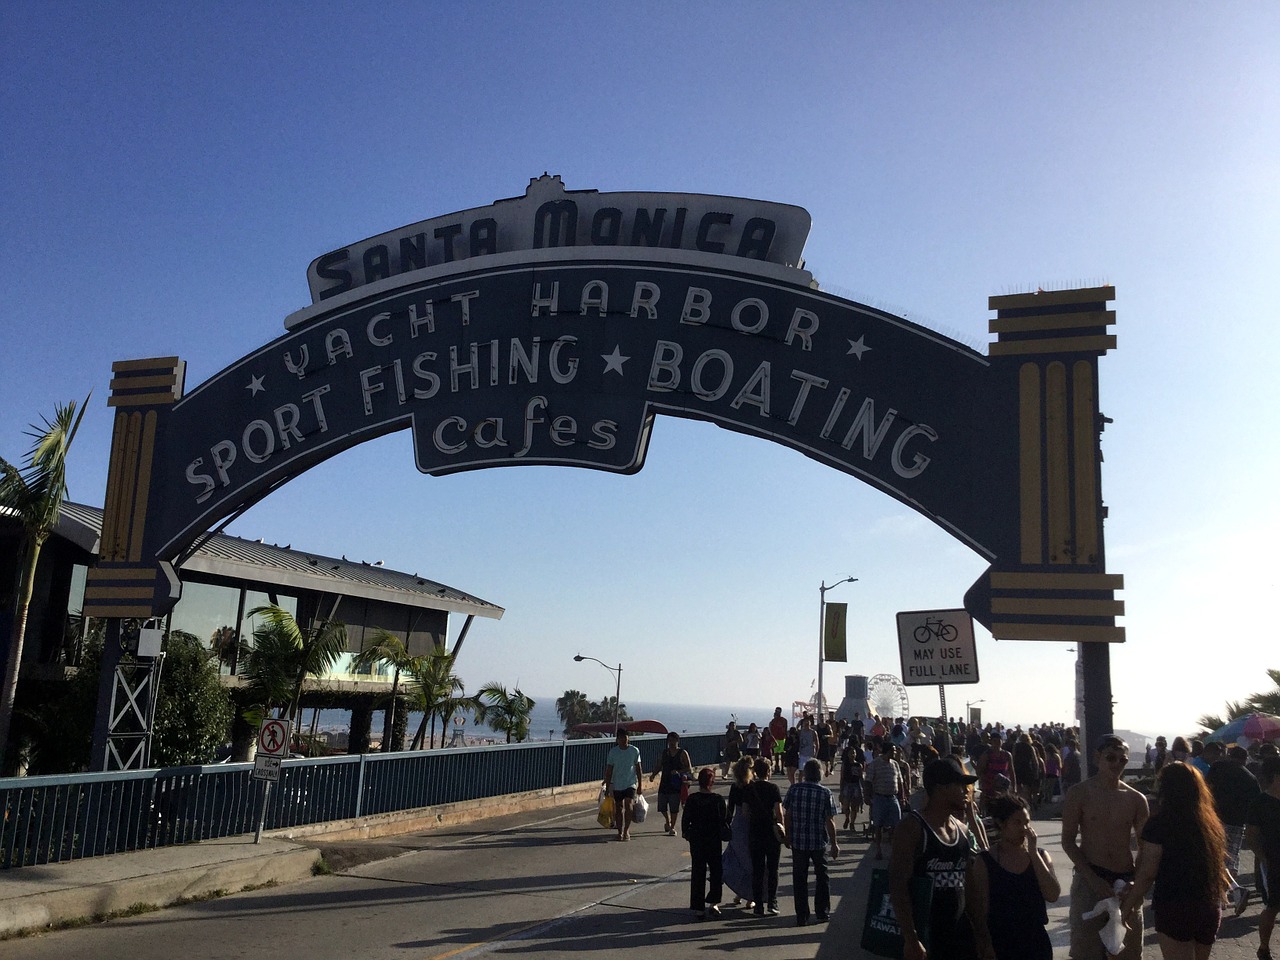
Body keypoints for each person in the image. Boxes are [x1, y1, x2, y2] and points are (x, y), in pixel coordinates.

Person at [1122, 761, 1229, 959]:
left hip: (1174, 906)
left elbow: (1147, 874)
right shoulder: (1210, 824)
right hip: (1209, 906)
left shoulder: (1159, 824)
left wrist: (1126, 909)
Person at [1062, 733, 1149, 959]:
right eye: (1111, 758)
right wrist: (1091, 877)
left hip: (1125, 882)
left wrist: (1135, 882)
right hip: (1090, 878)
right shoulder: (1079, 793)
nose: (1117, 764)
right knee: (1086, 950)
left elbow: (1145, 848)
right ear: (1097, 758)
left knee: (1128, 951)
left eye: (1123, 760)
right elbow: (1068, 841)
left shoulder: (1136, 799)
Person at [890, 758, 981, 960]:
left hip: (959, 938)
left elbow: (970, 888)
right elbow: (898, 885)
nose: (967, 791)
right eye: (960, 784)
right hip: (926, 940)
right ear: (941, 788)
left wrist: (982, 936)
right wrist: (911, 939)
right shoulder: (912, 828)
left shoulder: (962, 830)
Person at [969, 795, 1060, 960]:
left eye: (1027, 822)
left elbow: (1052, 894)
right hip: (1001, 943)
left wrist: (1033, 853)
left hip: (1035, 942)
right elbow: (980, 910)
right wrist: (985, 944)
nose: (1024, 828)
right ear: (1001, 824)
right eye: (1017, 823)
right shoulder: (985, 861)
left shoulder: (1040, 856)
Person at [1205, 741, 1260, 915]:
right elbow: (1255, 805)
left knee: (1214, 856)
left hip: (1214, 819)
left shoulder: (1218, 767)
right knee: (1231, 858)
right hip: (1237, 822)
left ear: (1230, 755)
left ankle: (1224, 895)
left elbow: (1206, 790)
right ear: (1244, 760)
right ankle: (1229, 893)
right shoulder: (1250, 778)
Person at [783, 758, 839, 926]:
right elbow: (830, 821)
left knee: (799, 878)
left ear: (805, 773)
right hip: (818, 841)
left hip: (799, 841)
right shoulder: (825, 793)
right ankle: (822, 912)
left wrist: (787, 835)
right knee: (822, 877)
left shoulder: (794, 790)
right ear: (820, 773)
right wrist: (835, 843)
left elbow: (788, 815)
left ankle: (802, 915)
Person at [681, 766, 728, 919]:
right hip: (713, 840)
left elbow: (686, 820)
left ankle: (698, 906)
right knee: (716, 872)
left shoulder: (693, 799)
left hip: (697, 840)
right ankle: (713, 902)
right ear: (712, 781)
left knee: (698, 872)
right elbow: (726, 820)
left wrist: (687, 833)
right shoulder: (718, 800)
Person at [1246, 756, 1280, 960]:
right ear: (1276, 777)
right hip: (1273, 862)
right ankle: (1264, 948)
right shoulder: (1260, 803)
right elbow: (1251, 836)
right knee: (1273, 906)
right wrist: (1263, 859)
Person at [744, 755, 784, 916]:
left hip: (755, 832)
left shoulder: (749, 788)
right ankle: (772, 902)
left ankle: (758, 904)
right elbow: (779, 813)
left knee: (758, 869)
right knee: (773, 869)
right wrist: (783, 829)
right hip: (771, 833)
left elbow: (745, 812)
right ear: (768, 771)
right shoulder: (773, 788)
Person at [723, 756, 756, 909]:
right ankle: (750, 895)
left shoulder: (735, 786)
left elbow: (730, 809)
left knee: (737, 859)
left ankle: (739, 892)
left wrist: (726, 825)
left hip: (737, 825)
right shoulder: (753, 786)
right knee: (751, 859)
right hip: (751, 824)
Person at [602, 727, 643, 841]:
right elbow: (609, 769)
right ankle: (620, 831)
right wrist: (607, 781)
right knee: (619, 808)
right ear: (617, 739)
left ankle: (626, 830)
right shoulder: (613, 752)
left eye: (625, 737)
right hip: (617, 784)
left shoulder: (634, 750)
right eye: (620, 738)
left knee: (629, 805)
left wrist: (640, 785)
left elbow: (638, 768)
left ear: (628, 738)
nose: (623, 740)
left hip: (630, 783)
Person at [649, 731, 692, 837]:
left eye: (673, 740)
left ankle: (672, 827)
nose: (671, 743)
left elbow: (689, 768)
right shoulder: (665, 753)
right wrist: (653, 774)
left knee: (674, 806)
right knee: (662, 806)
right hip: (665, 781)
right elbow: (659, 765)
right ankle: (667, 821)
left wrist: (679, 772)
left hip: (676, 783)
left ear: (677, 741)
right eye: (670, 741)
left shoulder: (682, 753)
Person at [868, 739, 903, 859]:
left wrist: (902, 797)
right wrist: (868, 796)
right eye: (893, 750)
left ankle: (894, 848)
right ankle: (878, 849)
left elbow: (900, 781)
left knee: (896, 824)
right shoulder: (875, 763)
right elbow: (868, 780)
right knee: (878, 824)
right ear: (887, 751)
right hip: (879, 797)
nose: (895, 753)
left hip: (893, 797)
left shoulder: (895, 764)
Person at [978, 732, 1016, 813]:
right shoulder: (987, 755)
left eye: (999, 741)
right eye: (995, 741)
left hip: (1003, 787)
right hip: (989, 786)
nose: (997, 743)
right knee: (989, 808)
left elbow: (1011, 771)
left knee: (1002, 808)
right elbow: (980, 770)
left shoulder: (1007, 755)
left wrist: (1014, 787)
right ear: (991, 742)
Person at [839, 736, 865, 831]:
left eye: (854, 753)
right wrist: (841, 789)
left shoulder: (858, 765)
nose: (852, 755)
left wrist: (863, 788)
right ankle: (847, 817)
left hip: (855, 785)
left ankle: (852, 823)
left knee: (854, 806)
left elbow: (861, 777)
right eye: (851, 753)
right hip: (847, 784)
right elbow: (842, 777)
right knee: (846, 805)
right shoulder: (845, 765)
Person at [768, 706, 788, 774]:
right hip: (775, 739)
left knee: (782, 754)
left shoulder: (784, 720)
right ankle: (777, 768)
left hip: (782, 739)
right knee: (776, 754)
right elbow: (770, 729)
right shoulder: (773, 721)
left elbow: (785, 729)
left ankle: (782, 768)